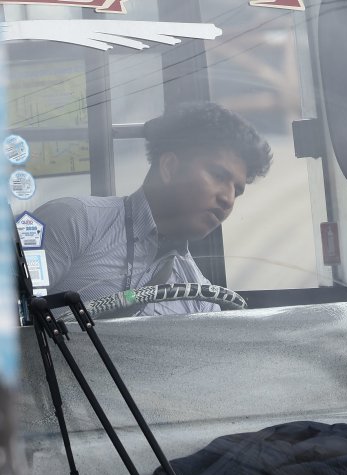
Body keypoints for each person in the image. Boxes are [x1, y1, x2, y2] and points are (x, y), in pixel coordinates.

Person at [33, 102, 272, 315]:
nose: (228, 199)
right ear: (169, 167)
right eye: (218, 175)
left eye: (237, 191)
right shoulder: (72, 221)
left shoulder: (201, 296)